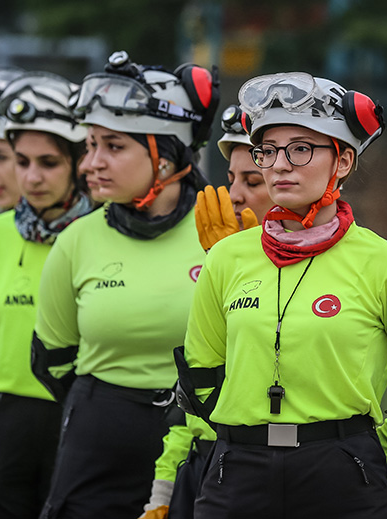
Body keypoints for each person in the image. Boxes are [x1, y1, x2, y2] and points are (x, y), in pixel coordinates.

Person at [177, 72, 387, 519]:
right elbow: (200, 380)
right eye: (268, 151)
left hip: (344, 477)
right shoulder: (225, 258)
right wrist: (240, 447)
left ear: (343, 161)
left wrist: (366, 455)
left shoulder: (383, 263)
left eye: (300, 149)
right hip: (236, 478)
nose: (278, 165)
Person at [32, 50, 219, 519]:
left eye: (113, 147)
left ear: (165, 156)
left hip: (200, 434)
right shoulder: (76, 241)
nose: (89, 163)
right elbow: (51, 359)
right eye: (90, 145)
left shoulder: (224, 234)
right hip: (100, 436)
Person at [0, 71, 93, 519]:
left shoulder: (100, 236)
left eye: (48, 162)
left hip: (72, 419)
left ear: (78, 162)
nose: (32, 177)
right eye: (22, 162)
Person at [139, 104, 274, 519]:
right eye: (231, 179)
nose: (234, 194)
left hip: (266, 467)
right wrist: (161, 494)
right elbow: (193, 398)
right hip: (201, 466)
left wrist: (258, 273)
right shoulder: (220, 261)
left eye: (253, 181)